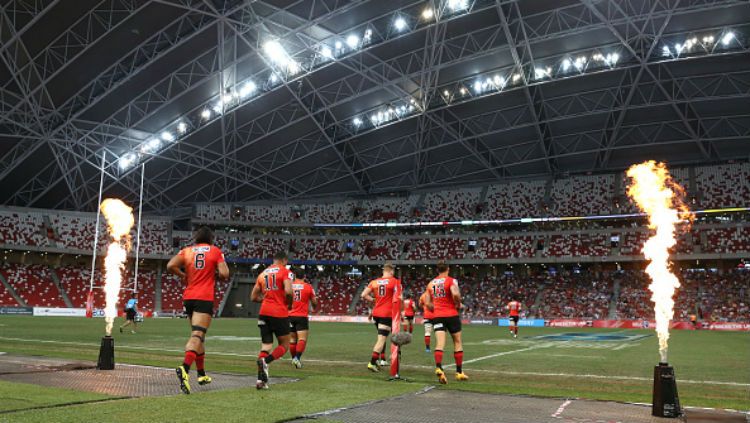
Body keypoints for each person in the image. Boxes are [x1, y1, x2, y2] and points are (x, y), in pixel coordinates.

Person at [167, 226, 230, 394]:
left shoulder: (187, 251)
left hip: (189, 297)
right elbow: (225, 273)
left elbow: (171, 265)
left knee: (199, 336)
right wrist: (215, 274)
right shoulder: (215, 251)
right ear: (211, 239)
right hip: (204, 297)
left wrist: (183, 276)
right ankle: (185, 368)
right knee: (197, 335)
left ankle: (201, 374)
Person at [251, 251, 294, 390]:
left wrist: (265, 300)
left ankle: (260, 381)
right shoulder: (284, 271)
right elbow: (288, 292)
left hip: (263, 313)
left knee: (266, 346)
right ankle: (266, 361)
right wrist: (289, 304)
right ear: (284, 260)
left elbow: (253, 297)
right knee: (285, 345)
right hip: (279, 313)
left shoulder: (263, 274)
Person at [424, 261, 468, 384]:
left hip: (437, 316)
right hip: (451, 315)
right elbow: (455, 293)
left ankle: (439, 367)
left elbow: (427, 303)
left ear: (437, 270)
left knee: (440, 343)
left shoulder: (431, 283)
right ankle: (459, 372)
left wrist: (436, 309)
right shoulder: (451, 281)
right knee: (457, 342)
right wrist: (458, 304)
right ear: (448, 269)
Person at [360, 262, 402, 372]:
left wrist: (374, 300)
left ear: (384, 271)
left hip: (376, 314)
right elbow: (399, 298)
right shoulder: (395, 282)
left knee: (382, 337)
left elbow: (363, 295)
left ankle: (380, 359)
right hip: (387, 314)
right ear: (391, 271)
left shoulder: (374, 282)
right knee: (382, 339)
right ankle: (372, 362)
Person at [288, 274, 319, 368]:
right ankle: (297, 358)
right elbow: (314, 301)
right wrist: (314, 308)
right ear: (304, 276)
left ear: (294, 276)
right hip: (301, 316)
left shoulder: (288, 286)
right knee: (302, 339)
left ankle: (293, 359)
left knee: (292, 340)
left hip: (289, 315)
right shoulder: (308, 286)